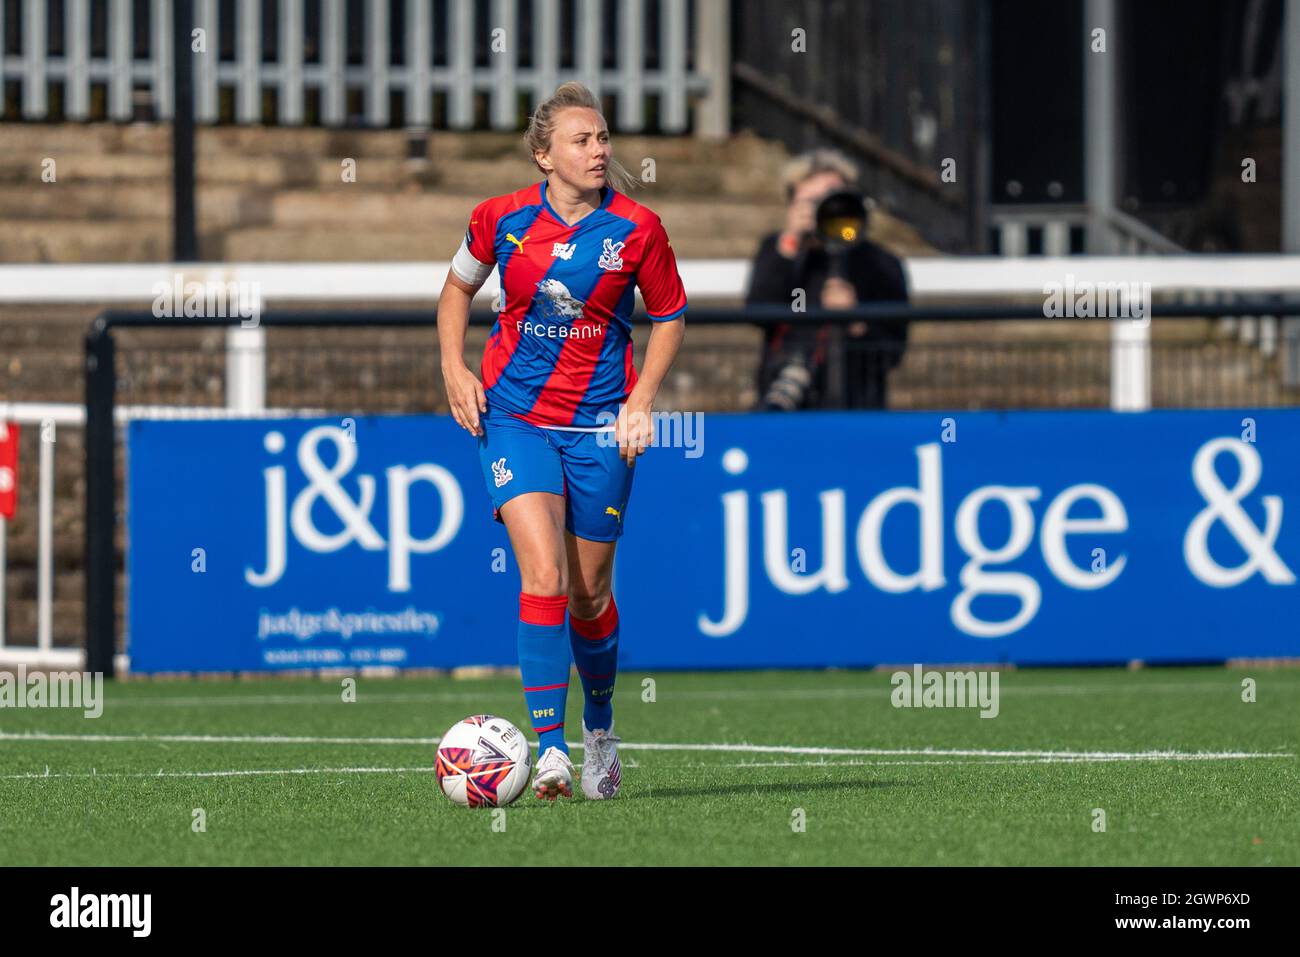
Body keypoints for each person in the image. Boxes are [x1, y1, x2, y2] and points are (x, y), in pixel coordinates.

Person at [436, 82, 687, 801]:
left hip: (602, 426)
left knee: (589, 592)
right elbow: (456, 290)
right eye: (583, 139)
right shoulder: (499, 219)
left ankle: (600, 730)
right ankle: (549, 750)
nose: (600, 149)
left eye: (604, 137)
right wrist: (454, 366)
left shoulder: (638, 228)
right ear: (544, 155)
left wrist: (642, 401)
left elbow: (669, 316)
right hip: (513, 419)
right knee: (541, 575)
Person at [747, 149, 909, 410]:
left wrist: (856, 321)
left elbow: (893, 351)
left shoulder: (881, 263)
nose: (824, 209)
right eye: (812, 201)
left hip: (857, 405)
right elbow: (758, 311)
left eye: (831, 199)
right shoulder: (780, 251)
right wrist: (790, 245)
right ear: (793, 205)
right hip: (788, 406)